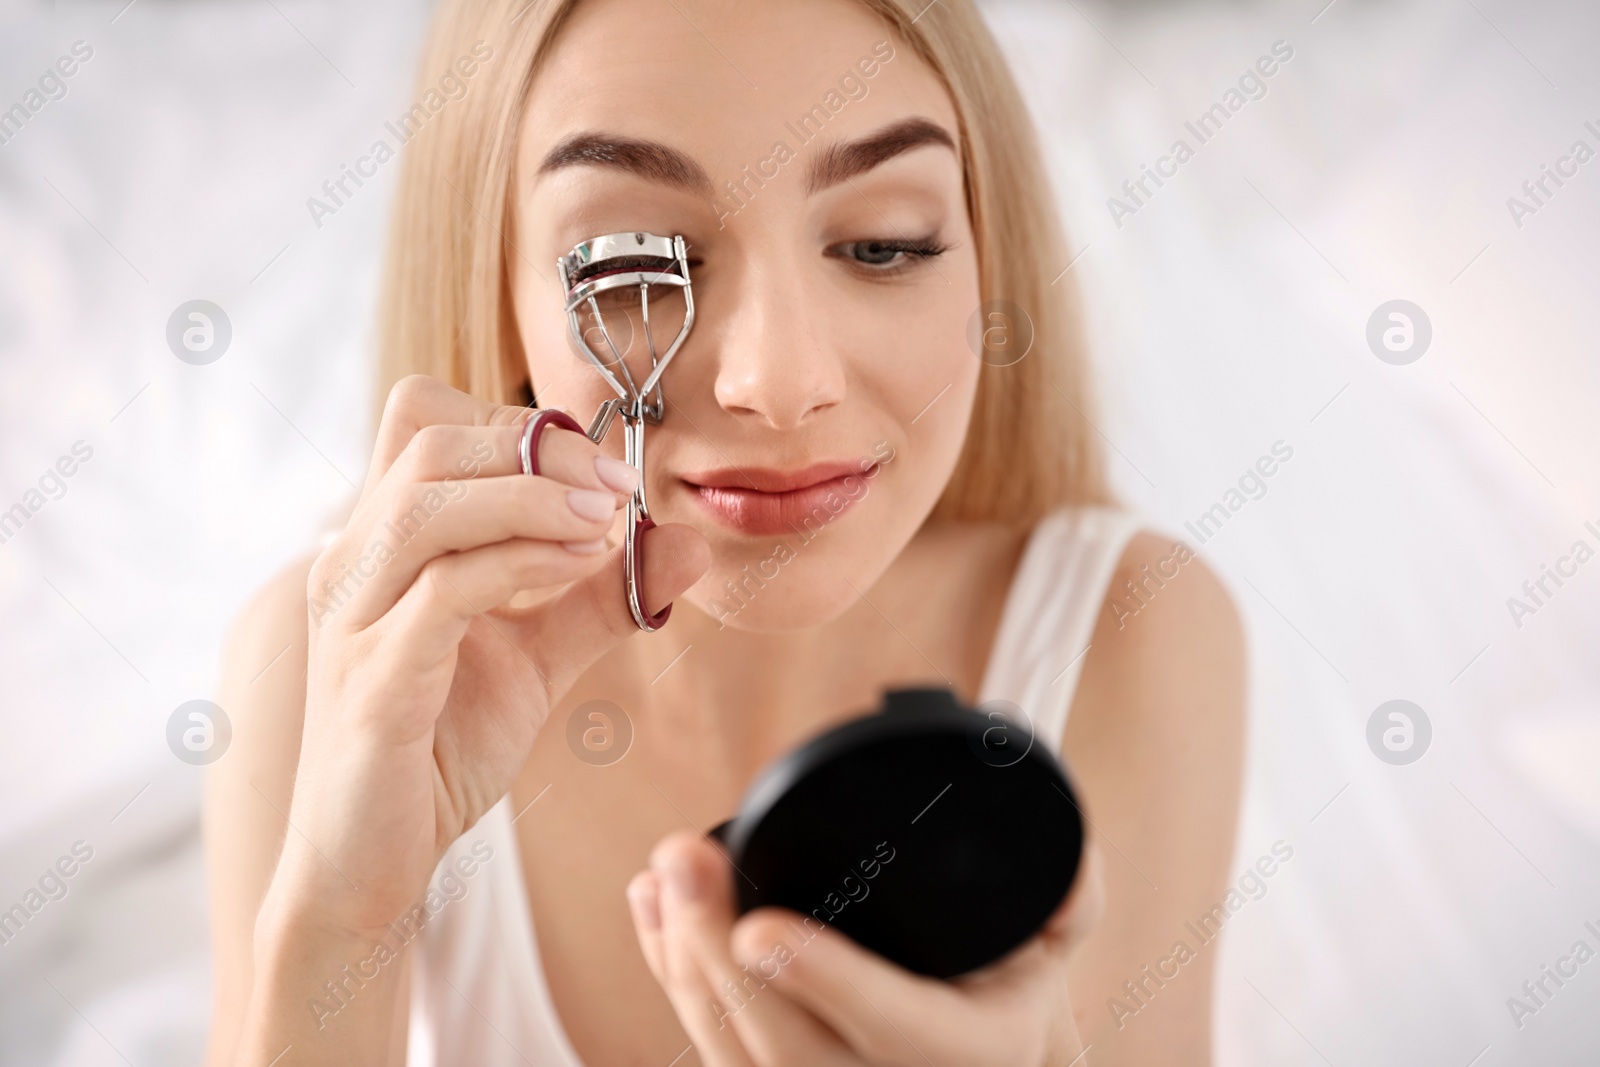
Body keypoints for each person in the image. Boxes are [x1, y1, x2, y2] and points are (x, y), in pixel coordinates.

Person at [203, 0, 1245, 1063]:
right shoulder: (335, 675)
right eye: (632, 263)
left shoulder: (1135, 636)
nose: (779, 382)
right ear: (497, 288)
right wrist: (338, 927)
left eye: (883, 244)